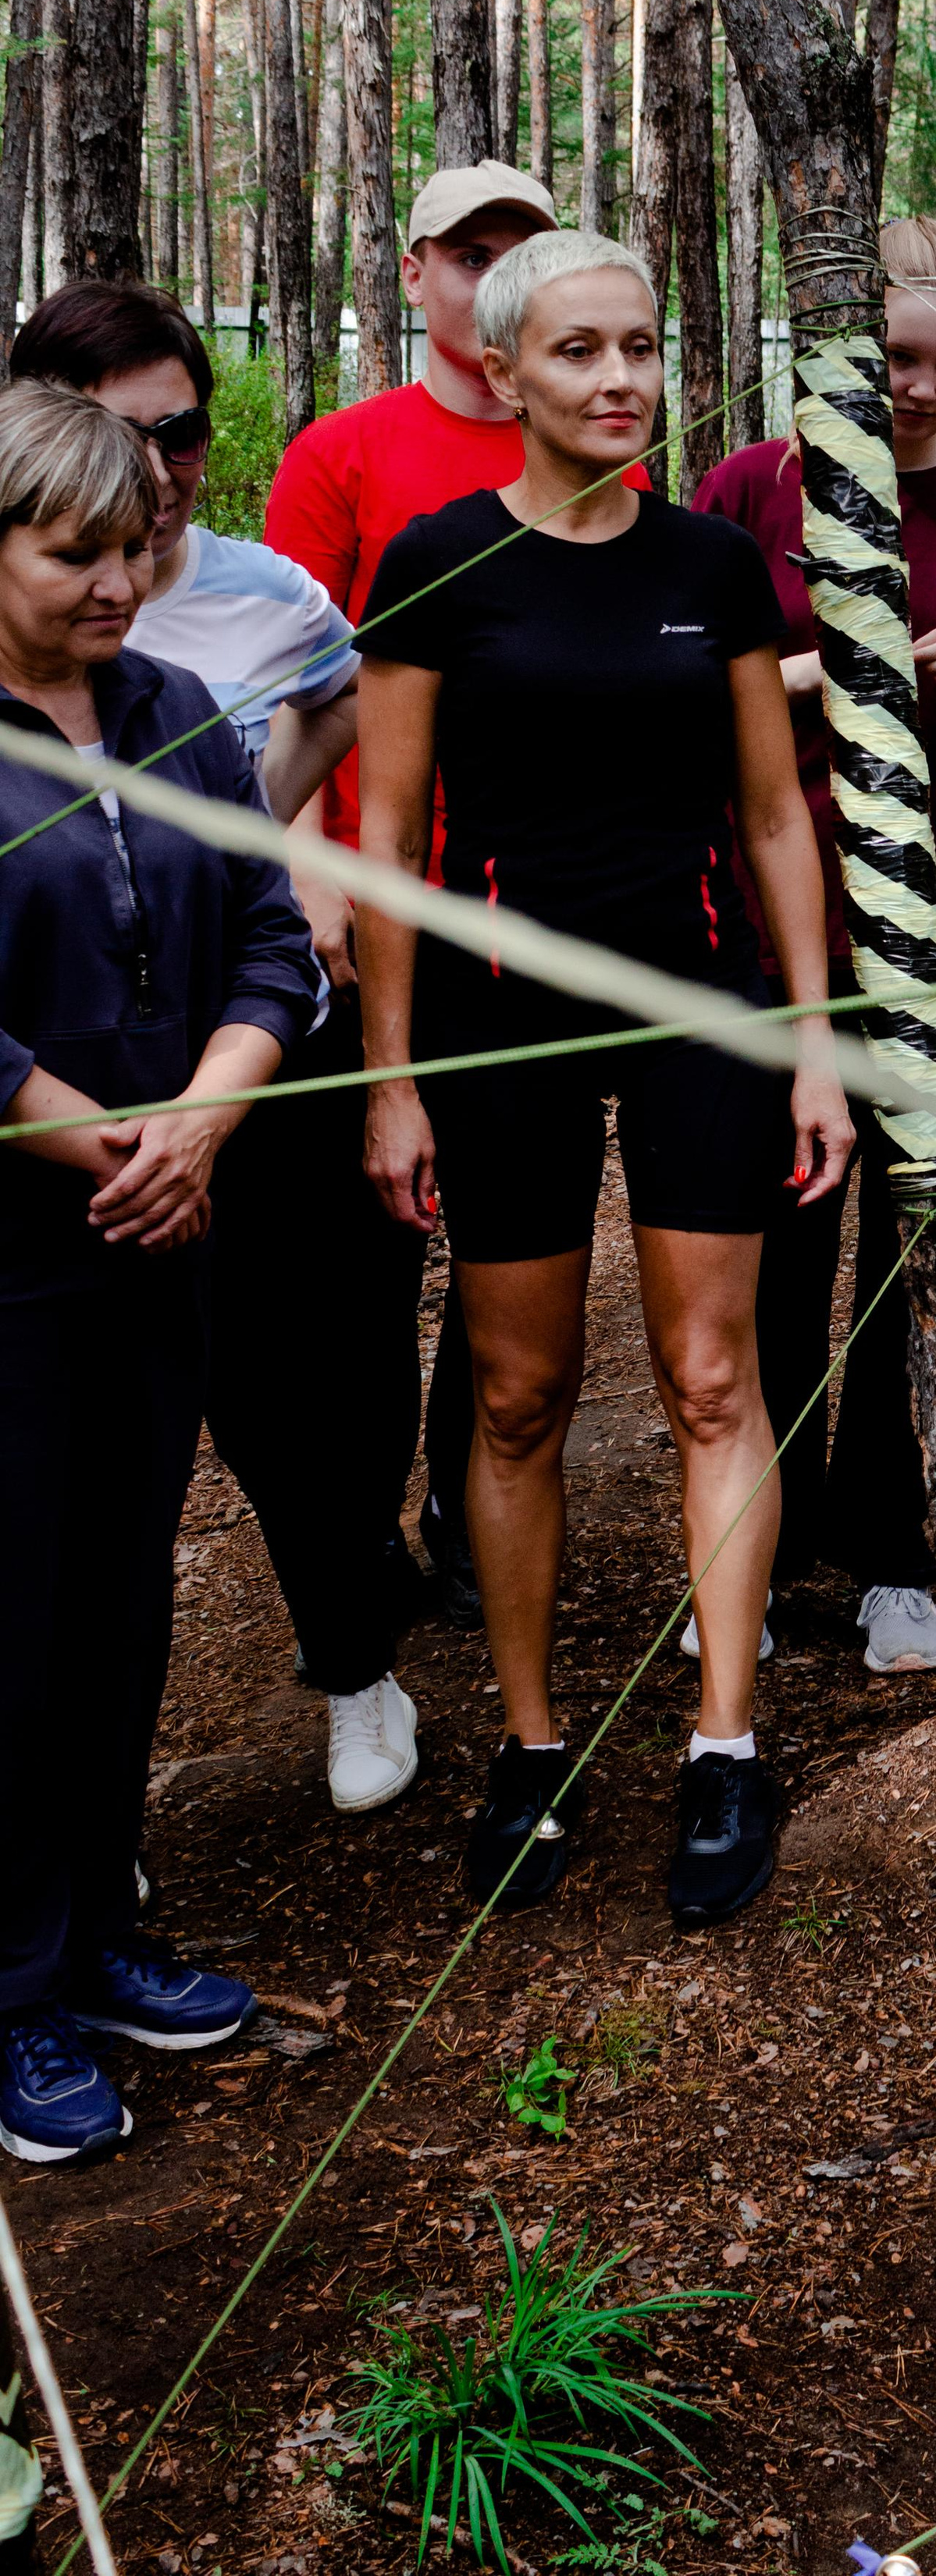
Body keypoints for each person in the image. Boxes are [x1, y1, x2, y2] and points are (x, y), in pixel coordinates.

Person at [356, 230, 853, 1931]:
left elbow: (776, 814)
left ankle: (724, 1747)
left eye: (638, 347)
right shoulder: (433, 567)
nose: (619, 379)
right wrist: (391, 1079)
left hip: (705, 1002)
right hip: (501, 1022)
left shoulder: (715, 565)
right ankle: (528, 1740)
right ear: (503, 374)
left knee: (715, 1379)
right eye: (578, 352)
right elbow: (388, 838)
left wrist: (808, 1042)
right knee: (516, 1396)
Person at [9, 282, 421, 1817]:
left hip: (249, 1072)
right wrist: (115, 1137)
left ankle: (350, 1654)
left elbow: (322, 727)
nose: (161, 476)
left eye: (186, 434)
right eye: (125, 444)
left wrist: (284, 847)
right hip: (70, 1135)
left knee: (303, 1374)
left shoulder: (213, 648)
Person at [0, 382, 318, 2163]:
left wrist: (200, 1119)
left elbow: (271, 936)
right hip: (23, 1262)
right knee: (12, 1625)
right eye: (74, 552)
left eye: (137, 542)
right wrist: (106, 1145)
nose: (122, 579)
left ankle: (96, 1925)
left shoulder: (177, 713)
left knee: (123, 1603)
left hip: (163, 1232)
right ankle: (12, 1988)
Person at [692, 215, 936, 1672]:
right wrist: (833, 665)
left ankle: (892, 1549)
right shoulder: (750, 490)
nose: (915, 389)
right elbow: (692, 701)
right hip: (775, 940)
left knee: (913, 1251)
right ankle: (759, 1545)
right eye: (889, 359)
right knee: (775, 1243)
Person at [265, 159, 580, 1626]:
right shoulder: (342, 455)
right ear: (418, 275)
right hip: (368, 916)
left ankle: (472, 1500)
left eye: (519, 251)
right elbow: (285, 686)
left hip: (524, 913)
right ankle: (367, 1526)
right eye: (466, 254)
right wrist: (315, 879)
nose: (487, 277)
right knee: (381, 1240)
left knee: (510, 1228)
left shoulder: (589, 450)